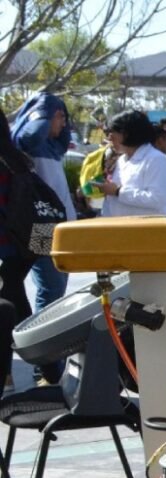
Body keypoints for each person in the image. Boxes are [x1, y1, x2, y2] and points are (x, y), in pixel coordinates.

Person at [10, 92, 74, 384]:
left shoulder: (50, 147)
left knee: (54, 293)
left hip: (60, 227)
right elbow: (33, 132)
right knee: (50, 295)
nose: (62, 121)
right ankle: (46, 368)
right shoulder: (29, 144)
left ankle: (49, 367)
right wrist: (46, 105)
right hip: (43, 228)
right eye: (57, 116)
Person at [0, 107, 36, 388]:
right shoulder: (18, 159)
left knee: (9, 307)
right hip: (22, 247)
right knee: (14, 305)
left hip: (6, 245)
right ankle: (47, 365)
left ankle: (12, 374)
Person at [93, 110, 166, 217]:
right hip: (119, 229)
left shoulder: (157, 160)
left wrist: (118, 191)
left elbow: (158, 200)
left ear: (128, 133)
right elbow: (112, 201)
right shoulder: (121, 161)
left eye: (113, 133)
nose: (109, 138)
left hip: (148, 230)